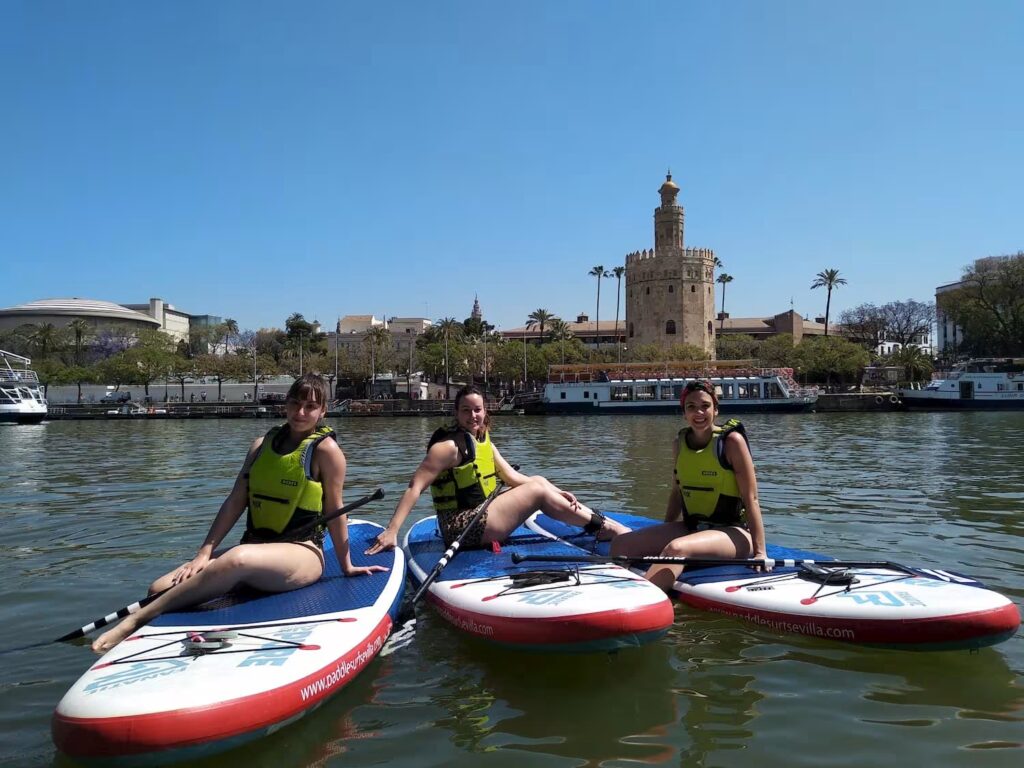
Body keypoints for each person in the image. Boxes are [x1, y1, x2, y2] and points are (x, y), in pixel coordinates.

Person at [92, 373, 387, 653]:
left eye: (310, 407)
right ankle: (163, 617)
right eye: (295, 403)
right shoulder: (260, 446)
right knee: (159, 586)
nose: (300, 412)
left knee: (237, 557)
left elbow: (335, 510)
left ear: (323, 411)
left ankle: (135, 620)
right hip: (256, 549)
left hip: (302, 553)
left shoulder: (327, 451)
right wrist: (204, 553)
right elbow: (235, 500)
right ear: (285, 403)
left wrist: (346, 565)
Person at [366, 384, 629, 554]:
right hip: (462, 528)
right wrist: (392, 530)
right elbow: (415, 487)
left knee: (538, 481)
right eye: (466, 410)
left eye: (477, 410)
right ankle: (602, 527)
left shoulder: (482, 440)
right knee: (537, 490)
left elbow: (512, 477)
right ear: (457, 414)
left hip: (483, 514)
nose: (473, 416)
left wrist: (557, 491)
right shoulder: (447, 447)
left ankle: (599, 522)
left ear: (485, 410)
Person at [609, 379, 767, 592]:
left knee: (676, 549)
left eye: (705, 406)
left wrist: (760, 553)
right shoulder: (679, 444)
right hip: (692, 527)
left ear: (716, 409)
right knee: (621, 545)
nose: (699, 413)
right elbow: (676, 492)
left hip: (733, 533)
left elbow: (752, 499)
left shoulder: (732, 442)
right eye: (691, 407)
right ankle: (618, 587)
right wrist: (664, 531)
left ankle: (639, 603)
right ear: (684, 413)